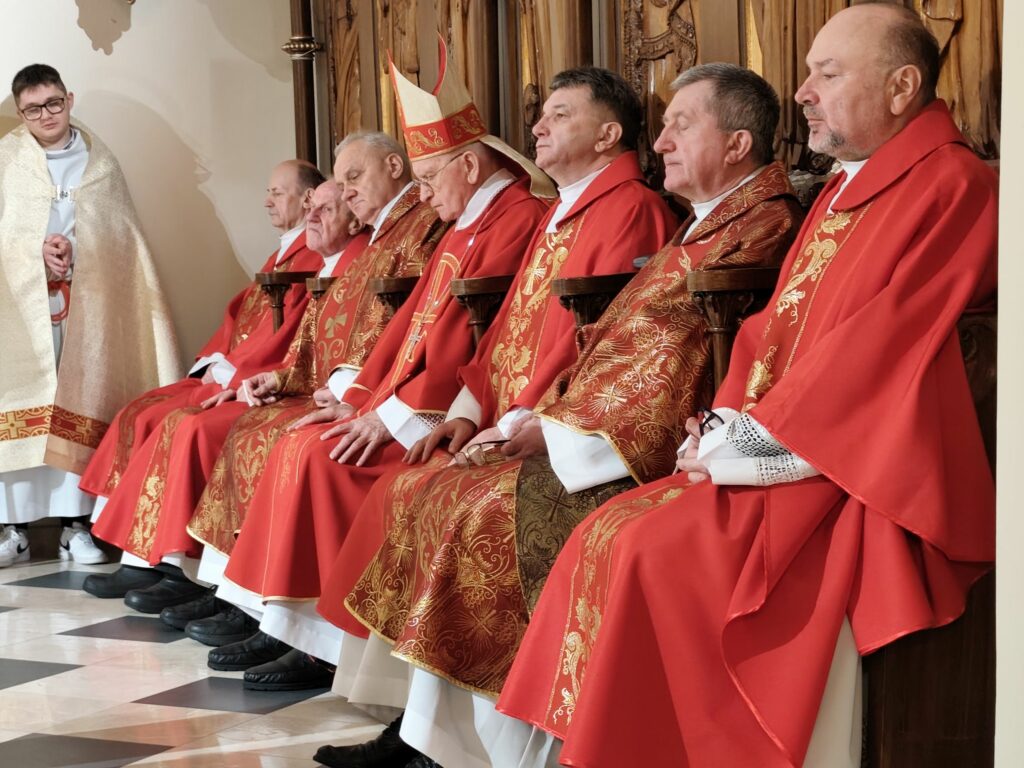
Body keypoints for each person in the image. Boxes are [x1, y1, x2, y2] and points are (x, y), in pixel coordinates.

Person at [497, 5, 997, 767]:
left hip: (851, 470)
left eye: (828, 74)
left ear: (902, 87)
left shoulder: (951, 184)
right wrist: (721, 424)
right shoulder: (845, 188)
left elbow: (886, 347)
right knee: (608, 532)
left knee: (647, 549)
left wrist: (751, 446)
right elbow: (769, 331)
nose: (803, 92)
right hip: (790, 443)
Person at [315, 63, 804, 768]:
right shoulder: (706, 220)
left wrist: (555, 430)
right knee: (436, 489)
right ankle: (429, 734)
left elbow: (672, 353)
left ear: (737, 144)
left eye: (680, 124)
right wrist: (486, 413)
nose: (660, 140)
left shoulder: (749, 220)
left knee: (473, 506)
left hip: (629, 444)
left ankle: (469, 747)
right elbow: (569, 337)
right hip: (575, 421)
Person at [186, 47, 558, 691]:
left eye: (429, 176)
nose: (423, 191)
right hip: (430, 400)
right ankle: (282, 622)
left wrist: (391, 417)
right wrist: (362, 397)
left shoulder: (514, 218)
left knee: (324, 457)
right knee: (305, 442)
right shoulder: (466, 220)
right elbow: (411, 325)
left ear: (470, 167)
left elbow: (469, 336)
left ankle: (319, 644)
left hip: (455, 409)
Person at [172, 131, 445, 651]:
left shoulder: (421, 230)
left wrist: (353, 393)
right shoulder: (385, 235)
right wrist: (282, 378)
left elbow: (403, 333)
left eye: (353, 179)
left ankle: (297, 628)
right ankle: (242, 598)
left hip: (388, 398)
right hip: (354, 390)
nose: (346, 193)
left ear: (395, 167)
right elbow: (342, 331)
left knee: (298, 445)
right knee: (255, 431)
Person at [82, 180, 367, 612]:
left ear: (354, 218)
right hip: (268, 380)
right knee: (143, 413)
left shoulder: (345, 262)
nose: (309, 214)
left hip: (308, 392)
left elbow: (306, 346)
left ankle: (196, 574)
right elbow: (268, 332)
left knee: (193, 427)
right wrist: (240, 371)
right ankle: (150, 558)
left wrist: (244, 377)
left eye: (321, 207)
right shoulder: (313, 259)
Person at [0, 64, 180, 567]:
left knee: (77, 403)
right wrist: (34, 251)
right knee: (25, 404)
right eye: (33, 109)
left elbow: (121, 238)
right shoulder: (6, 159)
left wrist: (76, 250)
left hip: (86, 303)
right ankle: (14, 530)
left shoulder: (100, 163)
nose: (46, 115)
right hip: (21, 308)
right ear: (21, 113)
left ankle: (74, 527)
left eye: (54, 103)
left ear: (70, 99)